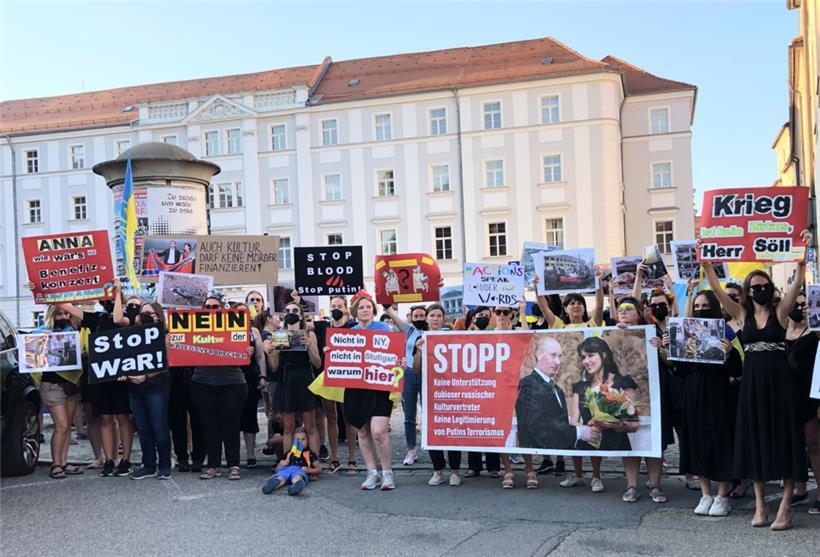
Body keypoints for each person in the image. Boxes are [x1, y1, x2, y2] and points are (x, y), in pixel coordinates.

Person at [701, 232, 810, 530]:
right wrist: (708, 262)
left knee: (786, 441)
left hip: (781, 386)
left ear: (771, 289)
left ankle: (785, 507)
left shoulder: (780, 312)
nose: (760, 290)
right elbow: (716, 289)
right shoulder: (741, 314)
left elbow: (798, 281)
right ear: (748, 292)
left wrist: (803, 252)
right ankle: (761, 506)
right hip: (752, 387)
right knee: (755, 441)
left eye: (764, 286)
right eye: (755, 287)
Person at [676, 290, 742, 516]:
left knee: (720, 441)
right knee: (696, 442)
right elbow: (680, 369)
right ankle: (705, 494)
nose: (701, 309)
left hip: (718, 393)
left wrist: (730, 352)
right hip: (693, 393)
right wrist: (671, 348)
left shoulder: (726, 331)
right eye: (697, 305)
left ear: (714, 307)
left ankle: (722, 496)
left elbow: (737, 369)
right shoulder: (688, 332)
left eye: (705, 305)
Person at [533, 272, 604, 481]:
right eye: (571, 303)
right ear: (564, 308)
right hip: (568, 385)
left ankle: (597, 476)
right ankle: (578, 474)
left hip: (590, 386)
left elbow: (599, 306)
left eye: (579, 303)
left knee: (592, 427)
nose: (575, 306)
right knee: (573, 428)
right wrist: (538, 288)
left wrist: (599, 283)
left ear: (584, 307)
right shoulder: (559, 327)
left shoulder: (593, 325)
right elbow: (544, 307)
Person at [562, 336, 638, 493]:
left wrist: (607, 424)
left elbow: (633, 424)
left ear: (603, 355)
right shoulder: (581, 388)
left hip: (617, 440)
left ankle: (631, 486)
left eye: (591, 355)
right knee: (576, 435)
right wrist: (585, 428)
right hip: (591, 438)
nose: (586, 361)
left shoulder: (623, 383)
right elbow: (574, 421)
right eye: (583, 357)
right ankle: (583, 475)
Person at [344, 291, 401, 490]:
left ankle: (388, 473)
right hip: (356, 387)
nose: (365, 310)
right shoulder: (349, 333)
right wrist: (331, 353)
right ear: (355, 312)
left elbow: (396, 352)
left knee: (379, 431)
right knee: (362, 430)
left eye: (368, 306)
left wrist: (399, 360)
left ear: (373, 310)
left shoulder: (384, 328)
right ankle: (372, 473)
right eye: (361, 307)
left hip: (379, 386)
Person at [190, 294, 249, 481]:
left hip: (232, 384)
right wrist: (171, 344)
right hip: (202, 383)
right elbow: (181, 350)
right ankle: (213, 465)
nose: (211, 310)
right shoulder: (193, 327)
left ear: (223, 309)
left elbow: (246, 350)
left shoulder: (235, 325)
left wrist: (248, 351)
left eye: (215, 307)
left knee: (231, 427)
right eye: (207, 307)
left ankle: (234, 465)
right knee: (210, 427)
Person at [614, 296, 665, 503]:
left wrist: (661, 347)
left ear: (639, 312)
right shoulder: (614, 333)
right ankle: (631, 484)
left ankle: (655, 485)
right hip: (624, 396)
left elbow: (670, 362)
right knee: (630, 440)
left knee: (653, 440)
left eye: (628, 308)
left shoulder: (653, 332)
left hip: (651, 395)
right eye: (620, 309)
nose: (624, 312)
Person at [115, 302, 173, 480]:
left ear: (158, 315)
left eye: (151, 313)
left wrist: (146, 376)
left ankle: (164, 465)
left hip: (156, 386)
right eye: (143, 313)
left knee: (159, 426)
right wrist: (123, 373)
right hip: (134, 387)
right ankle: (148, 465)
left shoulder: (166, 335)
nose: (147, 315)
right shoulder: (131, 335)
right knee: (142, 427)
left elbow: (166, 362)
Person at [411, 304, 462, 486]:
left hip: (450, 391)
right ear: (427, 318)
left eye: (438, 316)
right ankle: (438, 470)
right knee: (433, 431)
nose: (435, 319)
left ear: (443, 318)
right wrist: (419, 351)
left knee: (452, 431)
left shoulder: (451, 337)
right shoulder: (421, 339)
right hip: (430, 391)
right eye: (431, 315)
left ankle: (455, 471)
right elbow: (416, 369)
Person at [32, 305, 84, 479]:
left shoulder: (74, 330)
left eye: (65, 313)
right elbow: (29, 344)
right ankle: (56, 464)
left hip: (71, 384)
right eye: (59, 314)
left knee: (66, 427)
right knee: (61, 426)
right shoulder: (42, 331)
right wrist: (40, 338)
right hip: (51, 384)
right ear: (51, 315)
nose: (63, 316)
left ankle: (63, 462)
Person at [265, 300, 322, 458]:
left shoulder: (309, 334)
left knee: (310, 426)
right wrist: (271, 353)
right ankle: (288, 462)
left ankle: (314, 460)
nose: (291, 313)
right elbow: (275, 366)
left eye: (295, 310)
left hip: (304, 379)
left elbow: (317, 363)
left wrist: (310, 346)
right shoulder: (278, 335)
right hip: (286, 380)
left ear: (301, 316)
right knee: (288, 427)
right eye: (288, 310)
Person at [784, 291, 820, 515]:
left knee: (814, 445)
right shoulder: (780, 330)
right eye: (795, 304)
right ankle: (800, 488)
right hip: (787, 397)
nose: (799, 307)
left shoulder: (815, 332)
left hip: (810, 395)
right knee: (792, 445)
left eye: (804, 304)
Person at [382, 304, 426, 467]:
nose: (420, 318)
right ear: (411, 318)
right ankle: (411, 449)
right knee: (409, 414)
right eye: (416, 316)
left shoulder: (436, 331)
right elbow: (392, 314)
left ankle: (434, 446)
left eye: (423, 316)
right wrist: (387, 303)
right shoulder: (409, 330)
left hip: (429, 375)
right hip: (408, 373)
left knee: (430, 412)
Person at [464, 306, 502, 478]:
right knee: (473, 427)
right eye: (480, 315)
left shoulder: (497, 336)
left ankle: (494, 466)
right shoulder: (463, 337)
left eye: (487, 316)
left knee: (490, 425)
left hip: (491, 386)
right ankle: (474, 466)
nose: (483, 318)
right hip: (471, 387)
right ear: (473, 318)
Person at [236, 302, 266, 469]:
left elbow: (260, 356)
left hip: (250, 377)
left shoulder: (253, 332)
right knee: (232, 418)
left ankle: (250, 454)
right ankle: (232, 454)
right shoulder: (225, 330)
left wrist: (263, 376)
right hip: (231, 378)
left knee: (249, 415)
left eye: (244, 312)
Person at [261, 427, 321, 496]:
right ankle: (273, 485)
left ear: (308, 441)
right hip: (286, 469)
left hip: (300, 469)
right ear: (293, 441)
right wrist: (283, 464)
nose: (300, 442)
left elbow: (319, 469)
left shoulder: (310, 453)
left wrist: (309, 470)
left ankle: (296, 485)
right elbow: (277, 469)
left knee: (298, 476)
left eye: (303, 439)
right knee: (281, 476)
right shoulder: (289, 453)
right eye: (297, 440)